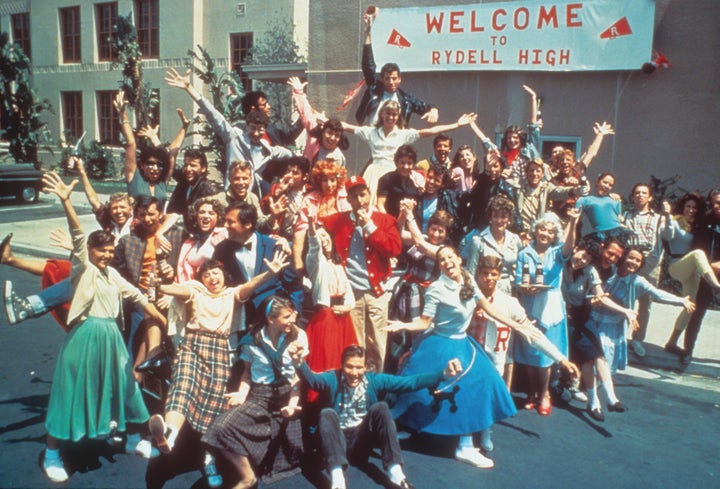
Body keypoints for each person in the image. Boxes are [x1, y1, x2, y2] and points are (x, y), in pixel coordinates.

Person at [38, 172, 167, 482]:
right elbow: (78, 235)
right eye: (102, 251)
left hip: (111, 341)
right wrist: (67, 201)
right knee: (71, 393)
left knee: (126, 389)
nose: (107, 255)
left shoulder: (112, 276)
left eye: (111, 251)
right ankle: (52, 453)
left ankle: (134, 438)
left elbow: (136, 296)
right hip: (84, 339)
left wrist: (160, 320)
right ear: (91, 252)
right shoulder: (84, 271)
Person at [385, 246, 561, 468]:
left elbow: (487, 307)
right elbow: (424, 323)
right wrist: (403, 324)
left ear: (459, 258)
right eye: (442, 260)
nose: (447, 261)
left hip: (463, 343)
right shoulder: (436, 289)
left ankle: (466, 445)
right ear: (439, 266)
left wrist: (519, 327)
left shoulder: (467, 278)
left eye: (450, 256)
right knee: (418, 389)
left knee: (481, 383)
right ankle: (400, 427)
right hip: (439, 344)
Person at [147, 254, 289, 487]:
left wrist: (271, 273)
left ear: (224, 276)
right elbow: (183, 292)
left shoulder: (231, 294)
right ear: (201, 278)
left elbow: (249, 287)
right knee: (183, 385)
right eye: (206, 274)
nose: (212, 277)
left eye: (216, 273)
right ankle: (169, 434)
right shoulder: (197, 290)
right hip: (193, 344)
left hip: (220, 349)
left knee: (214, 409)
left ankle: (209, 459)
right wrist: (160, 286)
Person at [297, 344, 463, 489]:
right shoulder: (331, 378)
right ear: (341, 366)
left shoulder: (374, 380)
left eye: (359, 367)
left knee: (381, 407)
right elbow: (313, 380)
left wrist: (443, 374)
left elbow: (409, 382)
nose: (354, 372)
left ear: (366, 367)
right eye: (349, 367)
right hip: (337, 442)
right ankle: (337, 478)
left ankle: (395, 471)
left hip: (361, 441)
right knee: (327, 413)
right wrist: (299, 362)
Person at [469, 255, 580, 445]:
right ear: (478, 274)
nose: (489, 278)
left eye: (493, 274)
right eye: (485, 273)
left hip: (494, 361)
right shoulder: (468, 297)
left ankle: (485, 431)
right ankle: (465, 437)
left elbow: (533, 334)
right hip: (470, 356)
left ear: (499, 276)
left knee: (486, 398)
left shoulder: (509, 303)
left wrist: (561, 359)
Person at [202, 295, 307, 488]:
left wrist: (292, 404)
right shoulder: (251, 341)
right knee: (220, 428)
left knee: (283, 455)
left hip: (287, 397)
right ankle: (247, 478)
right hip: (260, 396)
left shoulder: (298, 336)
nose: (292, 320)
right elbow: (247, 375)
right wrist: (241, 394)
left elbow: (297, 378)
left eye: (292, 315)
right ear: (271, 319)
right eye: (286, 317)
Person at [578, 247, 695, 420]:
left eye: (637, 260)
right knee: (594, 359)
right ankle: (597, 401)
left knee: (600, 363)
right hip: (594, 321)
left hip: (613, 328)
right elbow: (591, 292)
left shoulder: (638, 281)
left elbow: (658, 294)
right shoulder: (609, 272)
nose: (633, 262)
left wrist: (680, 301)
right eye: (630, 258)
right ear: (623, 258)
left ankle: (603, 400)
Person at [165, 68, 292, 194]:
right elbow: (213, 114)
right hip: (231, 195)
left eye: (260, 130)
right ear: (246, 126)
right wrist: (189, 89)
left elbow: (290, 155)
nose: (256, 133)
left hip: (252, 197)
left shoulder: (268, 149)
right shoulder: (234, 137)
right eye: (253, 128)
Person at [321, 176, 402, 370]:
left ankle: (376, 385)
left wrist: (370, 227)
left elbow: (395, 249)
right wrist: (321, 233)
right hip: (351, 293)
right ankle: (356, 384)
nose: (360, 201)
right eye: (354, 197)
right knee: (354, 343)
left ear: (369, 194)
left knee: (377, 342)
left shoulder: (384, 220)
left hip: (377, 291)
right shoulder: (339, 220)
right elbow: (316, 223)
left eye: (363, 195)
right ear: (348, 199)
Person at [343, 100, 475, 204]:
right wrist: (325, 121)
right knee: (370, 203)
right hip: (374, 172)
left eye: (394, 114)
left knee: (391, 203)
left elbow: (430, 131)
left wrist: (457, 125)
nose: (391, 117)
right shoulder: (371, 132)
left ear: (398, 116)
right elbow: (347, 127)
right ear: (382, 114)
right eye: (388, 113)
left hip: (395, 172)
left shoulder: (403, 134)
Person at [514, 209, 580, 416]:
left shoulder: (557, 252)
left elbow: (569, 246)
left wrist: (573, 221)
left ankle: (545, 394)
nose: (545, 234)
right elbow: (519, 279)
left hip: (550, 307)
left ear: (554, 236)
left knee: (544, 356)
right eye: (542, 229)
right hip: (529, 303)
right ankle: (533, 393)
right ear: (535, 230)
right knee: (531, 353)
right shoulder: (525, 253)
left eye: (550, 232)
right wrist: (525, 288)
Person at [212, 201, 304, 328]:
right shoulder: (221, 250)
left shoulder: (273, 247)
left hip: (275, 321)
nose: (225, 225)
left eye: (230, 222)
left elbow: (294, 286)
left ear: (248, 224)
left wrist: (294, 312)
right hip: (241, 321)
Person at [662, 193, 720, 363]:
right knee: (698, 254)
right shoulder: (680, 221)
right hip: (689, 267)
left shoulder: (695, 224)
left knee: (690, 307)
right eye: (714, 203)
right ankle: (688, 350)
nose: (691, 210)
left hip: (698, 270)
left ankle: (672, 342)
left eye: (695, 207)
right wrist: (667, 215)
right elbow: (667, 234)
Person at [303, 218, 357, 401]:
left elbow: (348, 290)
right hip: (326, 317)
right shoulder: (316, 264)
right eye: (319, 236)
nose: (323, 239)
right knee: (328, 359)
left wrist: (349, 306)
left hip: (343, 318)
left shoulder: (337, 264)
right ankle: (323, 401)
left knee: (347, 359)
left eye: (325, 235)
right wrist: (312, 226)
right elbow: (314, 247)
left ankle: (345, 399)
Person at [355, 9, 437, 126]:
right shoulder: (374, 89)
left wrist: (434, 110)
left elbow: (425, 106)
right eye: (387, 78)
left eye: (394, 78)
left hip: (396, 141)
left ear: (399, 79)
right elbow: (368, 65)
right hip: (375, 139)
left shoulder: (406, 99)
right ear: (382, 79)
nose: (391, 82)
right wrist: (368, 33)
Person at [622, 183, 666, 357]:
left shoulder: (659, 218)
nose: (640, 195)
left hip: (650, 265)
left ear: (650, 197)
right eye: (637, 193)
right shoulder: (625, 215)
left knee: (645, 306)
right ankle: (619, 337)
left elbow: (667, 236)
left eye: (644, 193)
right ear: (632, 197)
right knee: (624, 302)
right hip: (629, 264)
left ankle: (638, 340)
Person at [469, 85, 542, 184]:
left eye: (515, 137)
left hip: (527, 190)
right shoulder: (504, 155)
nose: (512, 140)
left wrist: (533, 98)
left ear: (520, 138)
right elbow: (486, 142)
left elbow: (533, 125)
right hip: (509, 191)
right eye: (509, 138)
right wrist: (472, 124)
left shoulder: (529, 148)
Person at [681, 189, 720, 364]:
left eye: (718, 203)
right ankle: (687, 350)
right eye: (712, 203)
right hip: (705, 274)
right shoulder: (705, 220)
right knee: (696, 314)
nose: (715, 207)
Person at [292, 159, 350, 276]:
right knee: (299, 233)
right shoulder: (310, 198)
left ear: (338, 181)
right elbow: (301, 228)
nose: (329, 185)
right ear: (319, 181)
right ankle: (299, 269)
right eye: (325, 180)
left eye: (332, 180)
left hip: (341, 237)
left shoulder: (345, 196)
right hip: (317, 240)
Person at [462, 195, 523, 294]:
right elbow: (471, 272)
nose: (499, 221)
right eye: (495, 216)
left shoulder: (515, 239)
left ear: (509, 219)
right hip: (484, 290)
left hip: (509, 291)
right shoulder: (478, 241)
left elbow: (521, 266)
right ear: (490, 218)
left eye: (503, 216)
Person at [287, 76, 348, 167]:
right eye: (330, 133)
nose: (332, 138)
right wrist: (299, 92)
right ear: (323, 132)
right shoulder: (314, 140)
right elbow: (306, 112)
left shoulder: (338, 157)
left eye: (337, 135)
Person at [176, 197, 228, 283]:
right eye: (202, 212)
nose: (205, 216)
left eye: (211, 213)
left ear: (218, 217)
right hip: (187, 287)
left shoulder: (222, 235)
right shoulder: (190, 241)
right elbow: (181, 268)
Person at [574, 172, 633, 246]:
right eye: (605, 182)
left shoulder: (615, 200)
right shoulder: (584, 200)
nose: (607, 186)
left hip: (618, 233)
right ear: (597, 182)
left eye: (610, 185)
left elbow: (623, 215)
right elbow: (574, 220)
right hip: (601, 235)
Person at [166, 147, 220, 225]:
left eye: (193, 165)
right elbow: (169, 163)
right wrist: (154, 139)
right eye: (186, 165)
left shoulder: (207, 191)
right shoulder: (185, 179)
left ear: (203, 168)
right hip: (173, 225)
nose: (188, 169)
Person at [377, 144, 425, 217]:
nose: (406, 167)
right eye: (402, 162)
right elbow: (380, 204)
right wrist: (388, 223)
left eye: (409, 163)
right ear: (396, 162)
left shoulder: (415, 181)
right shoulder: (386, 179)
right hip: (391, 222)